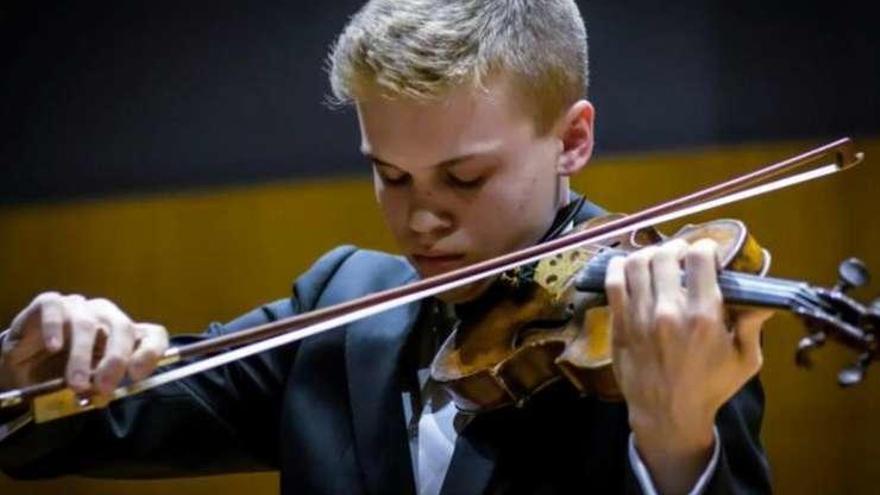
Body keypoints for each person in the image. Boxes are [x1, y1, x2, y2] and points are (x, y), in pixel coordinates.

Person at [0, 1, 773, 493]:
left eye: (463, 178)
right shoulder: (339, 305)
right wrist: (37, 374)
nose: (419, 222)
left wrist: (676, 447)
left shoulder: (662, 328)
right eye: (391, 175)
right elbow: (80, 430)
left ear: (572, 139)